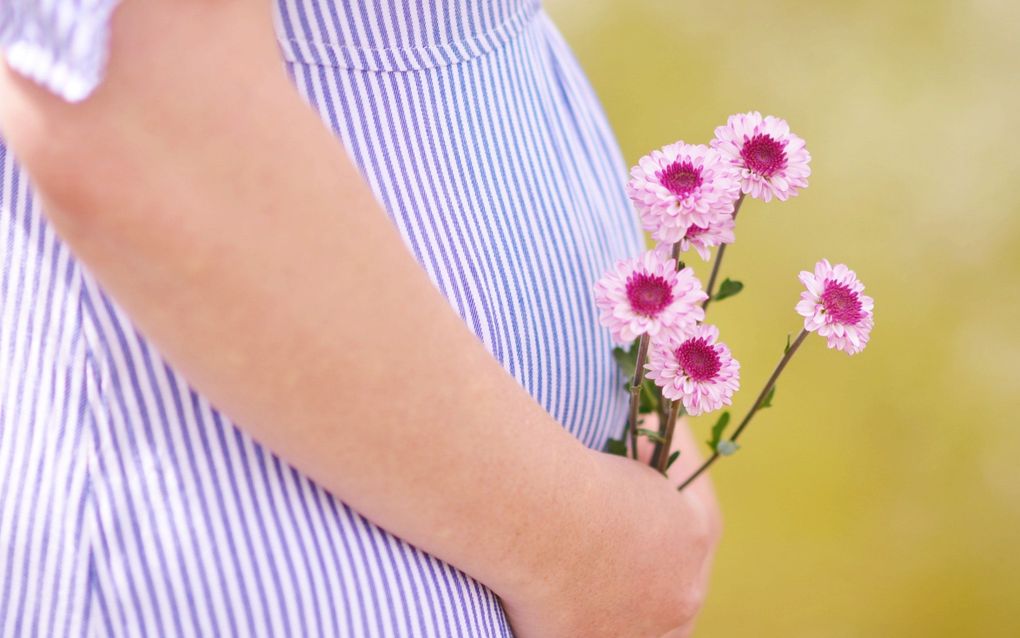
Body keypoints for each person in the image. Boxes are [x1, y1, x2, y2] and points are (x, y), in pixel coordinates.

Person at [0, 1, 721, 636]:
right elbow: (141, 109)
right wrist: (577, 551)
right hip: (246, 544)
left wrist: (637, 427)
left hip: (473, 511)